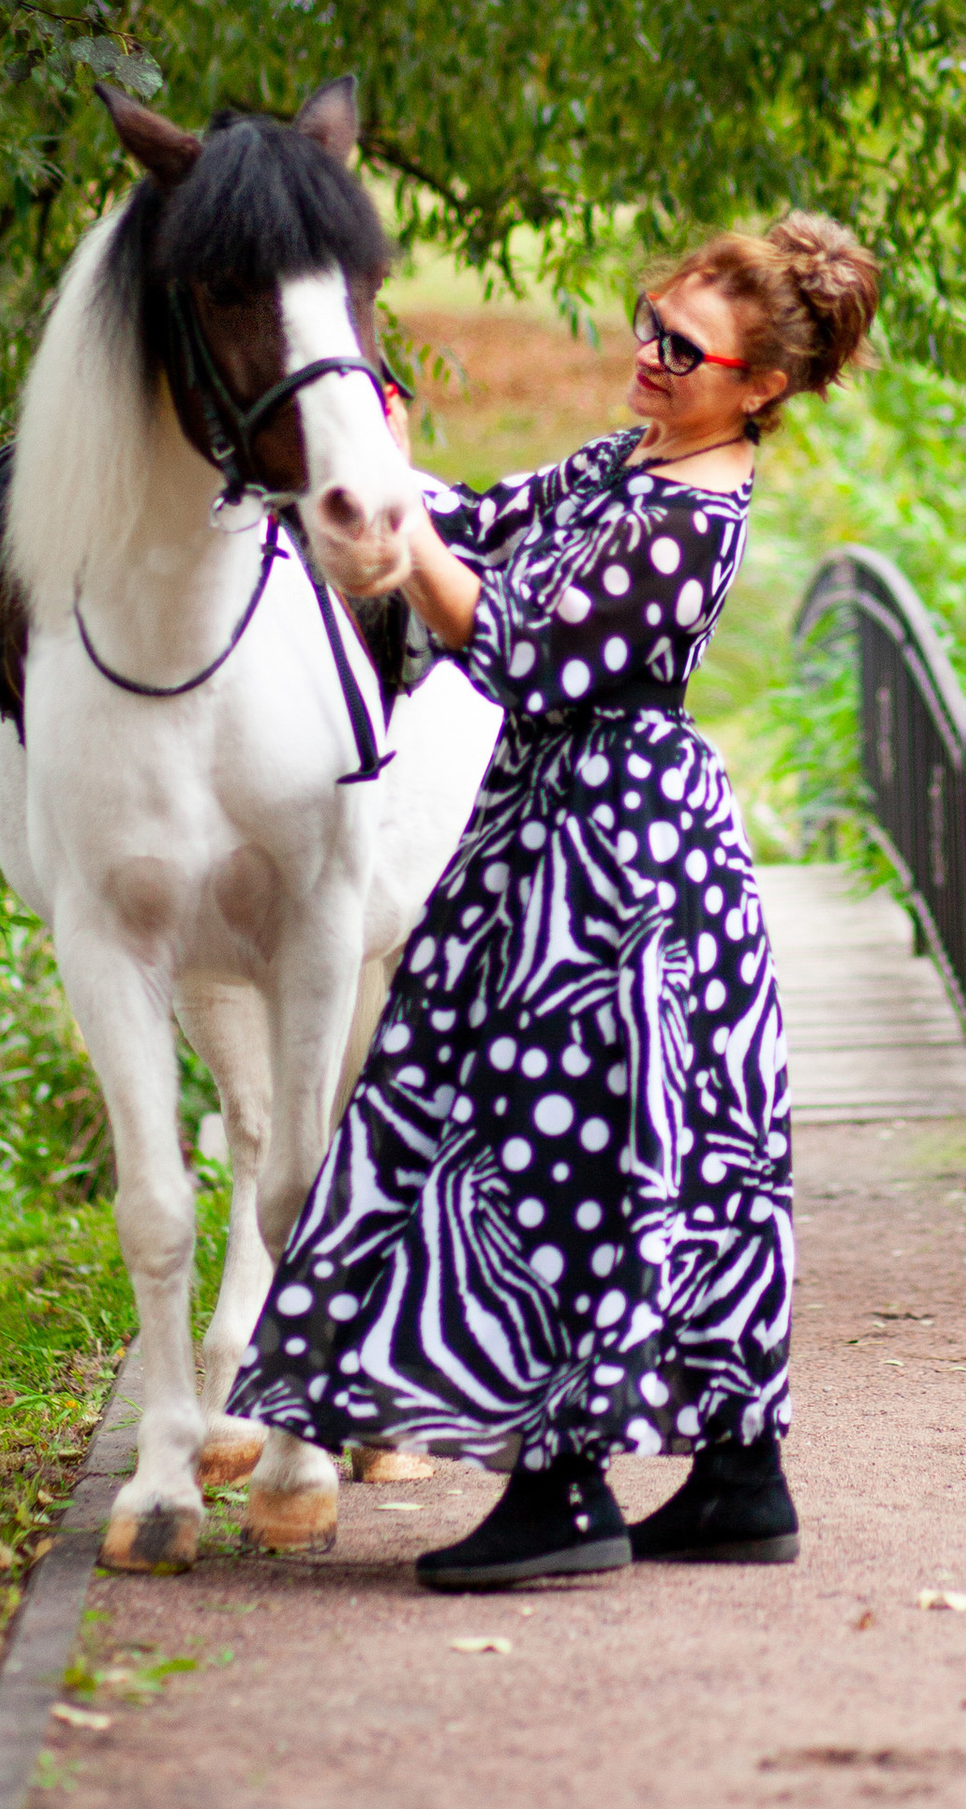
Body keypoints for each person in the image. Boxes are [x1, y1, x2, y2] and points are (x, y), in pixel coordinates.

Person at [228, 213, 881, 1590]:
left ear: (758, 383)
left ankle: (563, 1484)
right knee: (687, 1154)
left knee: (551, 1149)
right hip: (579, 834)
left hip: (611, 870)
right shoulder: (632, 461)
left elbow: (519, 643)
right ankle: (738, 1480)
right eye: (649, 324)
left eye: (682, 348)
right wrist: (373, 474)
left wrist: (403, 536)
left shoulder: (695, 511)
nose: (647, 357)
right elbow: (477, 526)